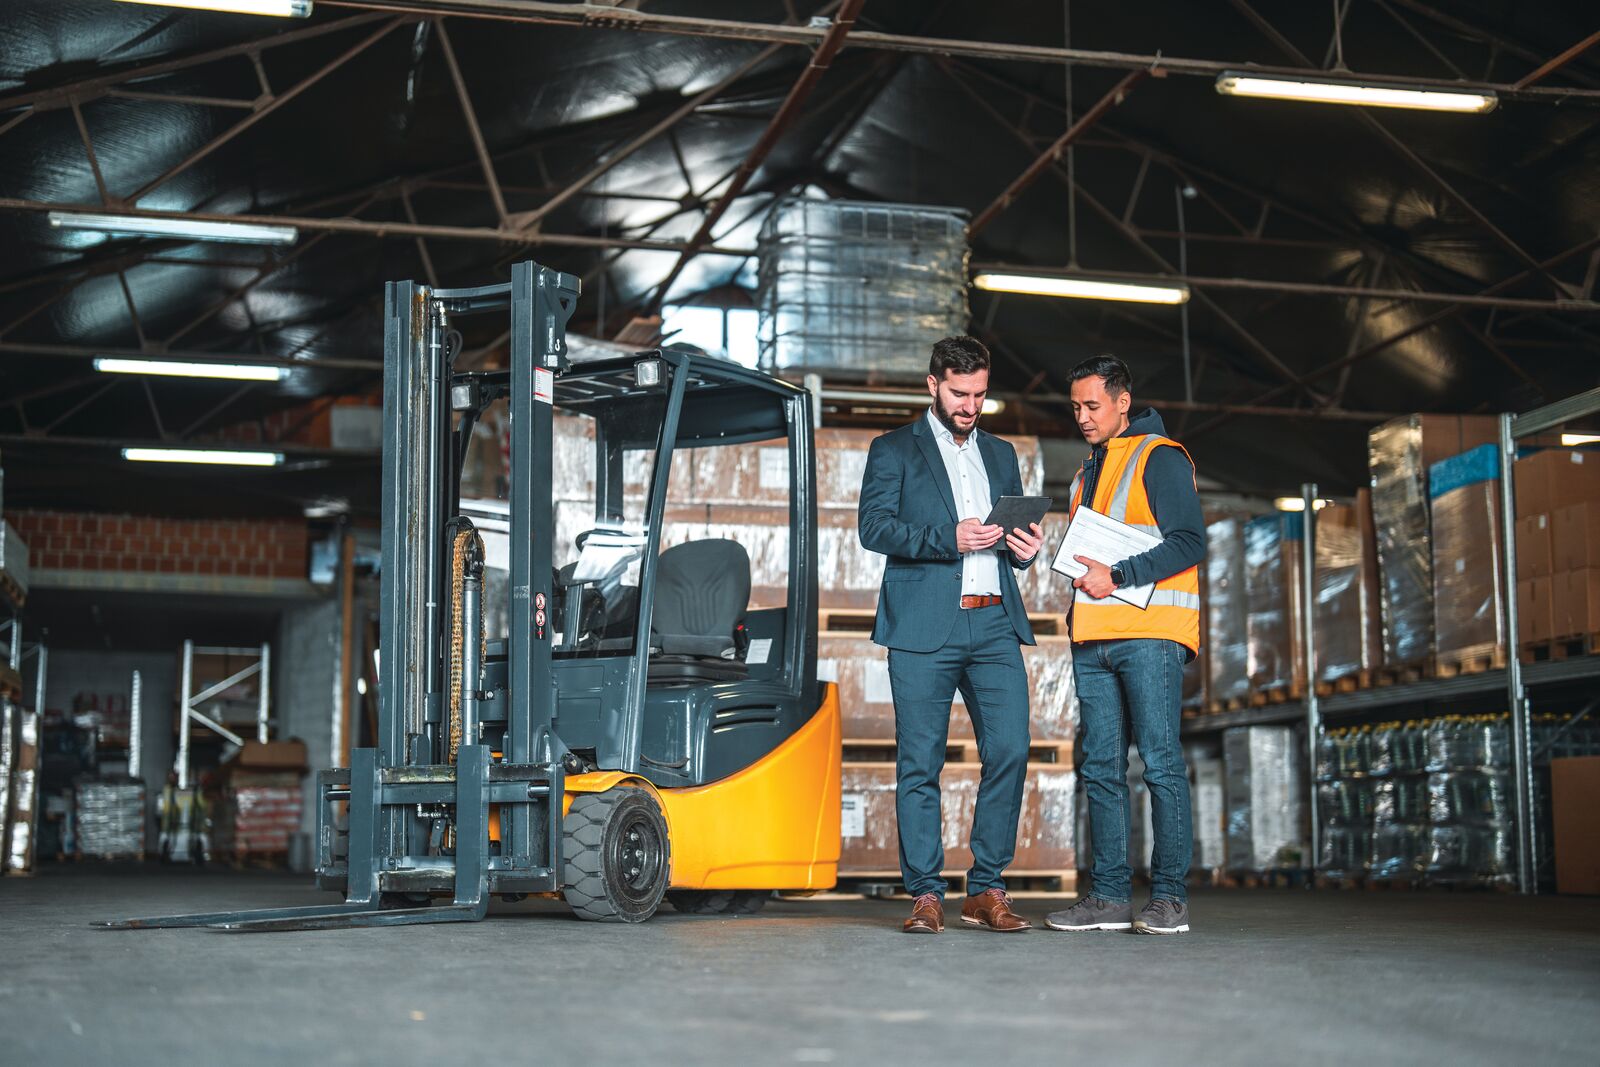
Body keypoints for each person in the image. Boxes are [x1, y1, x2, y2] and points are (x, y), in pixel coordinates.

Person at [858, 335, 1045, 935]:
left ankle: (986, 887)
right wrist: (948, 537)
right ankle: (926, 895)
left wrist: (1026, 550)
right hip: (922, 625)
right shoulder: (893, 450)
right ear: (931, 385)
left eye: (980, 395)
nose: (970, 406)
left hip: (994, 622)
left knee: (1011, 749)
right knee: (920, 764)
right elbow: (874, 528)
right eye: (959, 394)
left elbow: (1012, 536)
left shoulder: (1001, 452)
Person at [1044, 355, 1205, 936]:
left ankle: (1169, 899)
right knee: (1101, 769)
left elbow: (1189, 542)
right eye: (1076, 408)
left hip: (1150, 636)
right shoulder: (1087, 475)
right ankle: (1109, 897)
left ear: (1122, 402)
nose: (1083, 417)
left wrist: (1117, 576)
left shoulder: (1159, 458)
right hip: (1093, 638)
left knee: (1160, 764)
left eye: (1093, 406)